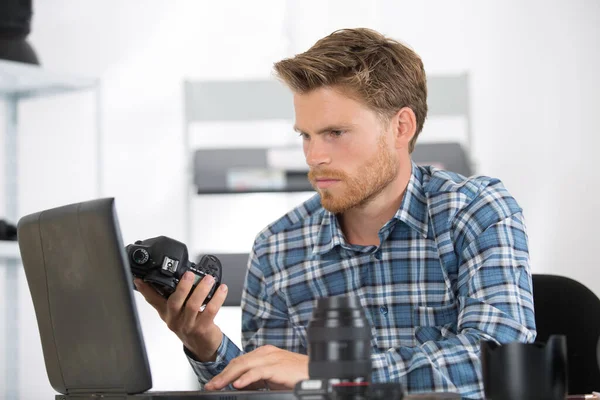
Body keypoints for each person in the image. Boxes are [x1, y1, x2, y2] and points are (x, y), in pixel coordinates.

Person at [134, 28, 536, 399]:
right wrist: (205, 343)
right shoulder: (278, 249)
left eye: (335, 133)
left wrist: (332, 373)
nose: (314, 156)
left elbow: (498, 363)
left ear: (401, 127)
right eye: (305, 135)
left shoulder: (477, 212)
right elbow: (271, 391)